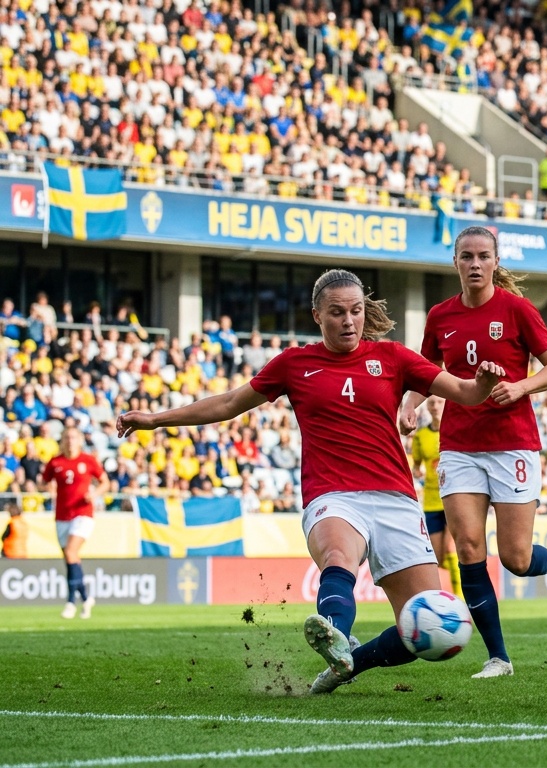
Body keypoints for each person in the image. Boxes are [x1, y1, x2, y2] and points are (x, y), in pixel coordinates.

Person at [116, 269, 507, 694]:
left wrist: (483, 384)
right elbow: (230, 402)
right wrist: (155, 420)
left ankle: (350, 662)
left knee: (423, 623)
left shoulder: (394, 357)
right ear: (317, 315)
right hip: (332, 494)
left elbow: (465, 393)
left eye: (356, 311)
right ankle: (335, 634)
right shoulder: (294, 363)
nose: (349, 321)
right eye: (337, 312)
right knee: (338, 554)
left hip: (396, 498)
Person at [400, 226, 547, 681]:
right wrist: (409, 406)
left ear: (496, 261)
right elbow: (424, 374)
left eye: (484, 256)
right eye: (467, 256)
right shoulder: (441, 316)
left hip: (513, 444)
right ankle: (498, 657)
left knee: (517, 560)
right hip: (460, 446)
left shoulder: (518, 309)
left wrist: (521, 385)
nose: (476, 264)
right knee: (468, 549)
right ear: (456, 263)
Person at [40, 427, 110, 618]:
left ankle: (71, 602)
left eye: (73, 437)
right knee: (70, 558)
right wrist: (50, 488)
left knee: (71, 551)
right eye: (66, 438)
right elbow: (44, 481)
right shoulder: (55, 462)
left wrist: (94, 494)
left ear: (79, 440)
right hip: (62, 515)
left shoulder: (88, 460)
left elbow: (105, 482)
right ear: (62, 440)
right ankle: (86, 598)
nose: (70, 441)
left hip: (83, 514)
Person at [412, 396, 460, 594]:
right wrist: (417, 471)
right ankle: (468, 573)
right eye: (432, 403)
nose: (435, 406)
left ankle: (461, 600)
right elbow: (416, 465)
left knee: (451, 549)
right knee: (438, 558)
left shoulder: (456, 431)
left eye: (440, 402)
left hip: (454, 497)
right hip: (431, 501)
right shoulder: (421, 436)